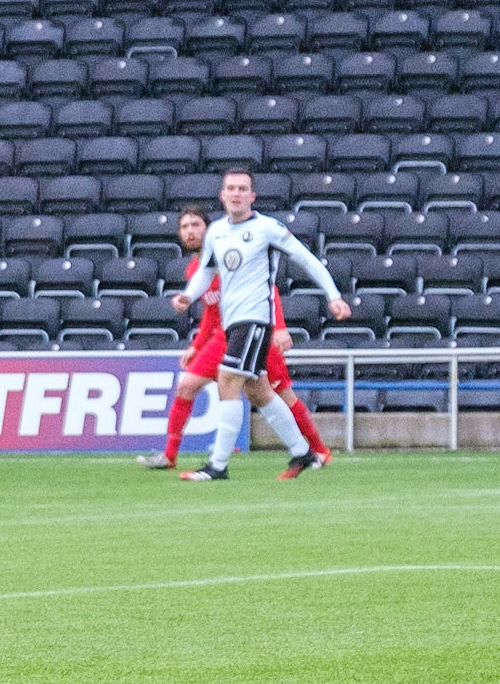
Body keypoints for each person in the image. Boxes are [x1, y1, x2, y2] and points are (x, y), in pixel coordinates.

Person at [177, 167, 352, 482]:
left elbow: (307, 259)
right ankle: (302, 451)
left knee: (227, 380)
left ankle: (217, 465)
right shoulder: (216, 231)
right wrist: (188, 297)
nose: (236, 193)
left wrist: (333, 296)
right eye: (231, 188)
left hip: (256, 318)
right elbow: (205, 271)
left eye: (243, 189)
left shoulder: (268, 228)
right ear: (223, 195)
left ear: (252, 196)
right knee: (257, 390)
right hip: (233, 323)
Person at [136, 206, 332, 472]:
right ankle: (170, 456)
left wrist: (280, 327)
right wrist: (197, 345)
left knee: (277, 393)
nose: (191, 232)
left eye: (196, 226)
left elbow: (268, 288)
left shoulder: (231, 251)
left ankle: (317, 450)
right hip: (223, 335)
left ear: (209, 229)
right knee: (187, 385)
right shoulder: (196, 269)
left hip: (255, 329)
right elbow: (210, 311)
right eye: (185, 227)